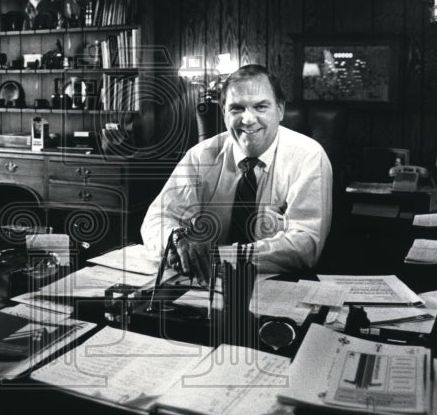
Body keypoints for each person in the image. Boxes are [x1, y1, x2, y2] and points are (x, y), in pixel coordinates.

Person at [141, 64, 333, 279]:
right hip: (204, 285)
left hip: (278, 286)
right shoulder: (200, 156)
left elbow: (305, 245)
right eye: (236, 108)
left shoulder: (309, 156)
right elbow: (156, 218)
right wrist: (176, 239)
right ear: (223, 112)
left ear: (280, 110)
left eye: (261, 107)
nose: (248, 119)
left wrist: (216, 256)